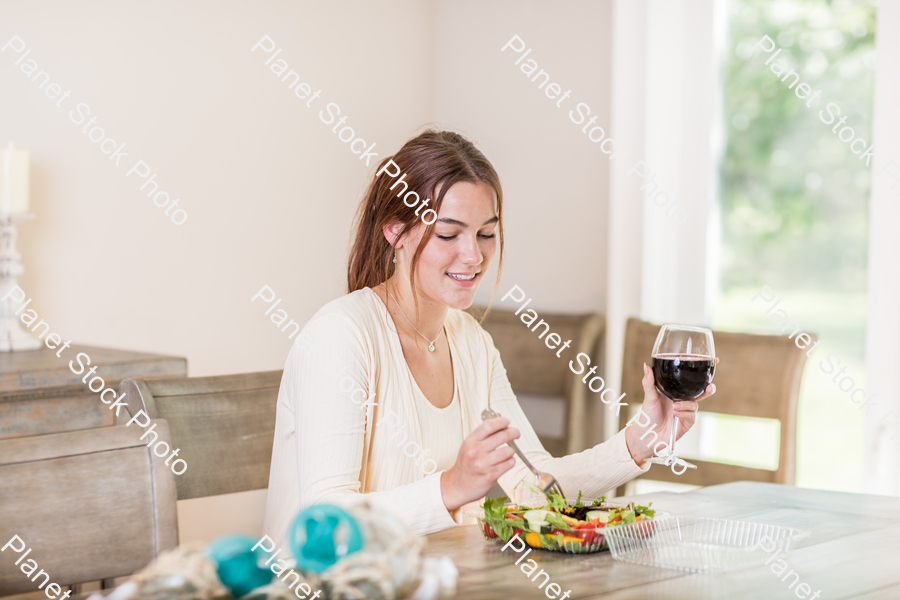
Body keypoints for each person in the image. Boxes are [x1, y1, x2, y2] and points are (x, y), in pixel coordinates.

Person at [263, 130, 715, 549]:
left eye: (486, 234)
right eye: (448, 233)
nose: (474, 255)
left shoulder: (471, 344)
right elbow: (321, 523)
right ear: (394, 231)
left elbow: (536, 485)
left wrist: (642, 439)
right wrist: (452, 487)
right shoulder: (341, 336)